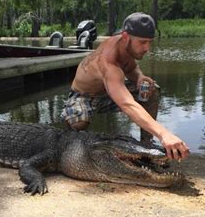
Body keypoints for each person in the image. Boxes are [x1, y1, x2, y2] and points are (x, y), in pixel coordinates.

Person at [60, 12, 189, 160]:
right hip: (84, 95)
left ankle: (146, 144)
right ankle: (67, 131)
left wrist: (139, 77)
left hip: (110, 90)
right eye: (142, 42)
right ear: (126, 36)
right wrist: (164, 134)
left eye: (150, 42)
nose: (147, 48)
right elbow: (127, 104)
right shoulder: (108, 61)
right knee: (78, 124)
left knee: (152, 90)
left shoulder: (127, 46)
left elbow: (131, 67)